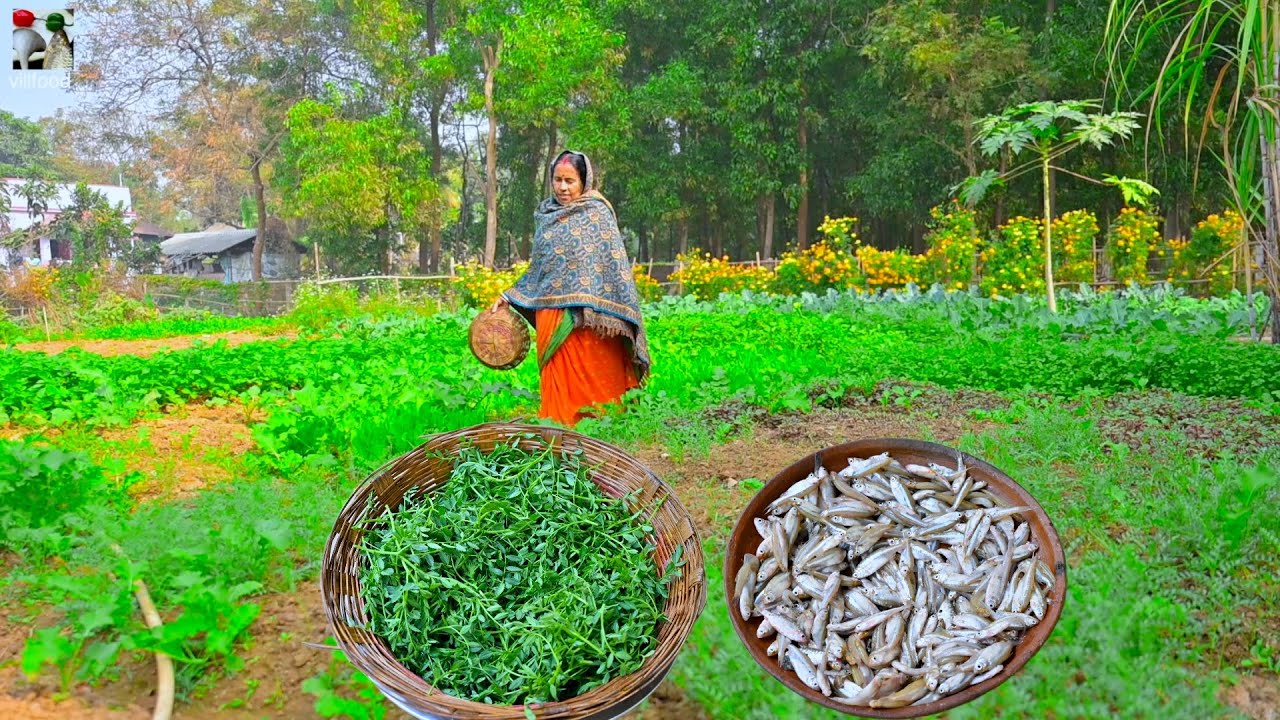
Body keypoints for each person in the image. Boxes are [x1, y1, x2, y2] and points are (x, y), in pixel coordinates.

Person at [492, 150, 650, 426]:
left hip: (589, 319)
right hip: (554, 316)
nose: (563, 188)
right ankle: (559, 427)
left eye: (570, 181)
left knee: (597, 377)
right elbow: (540, 269)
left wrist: (591, 299)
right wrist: (508, 296)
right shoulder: (546, 215)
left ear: (584, 181)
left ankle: (604, 423)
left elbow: (612, 267)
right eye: (557, 180)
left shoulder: (597, 213)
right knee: (559, 392)